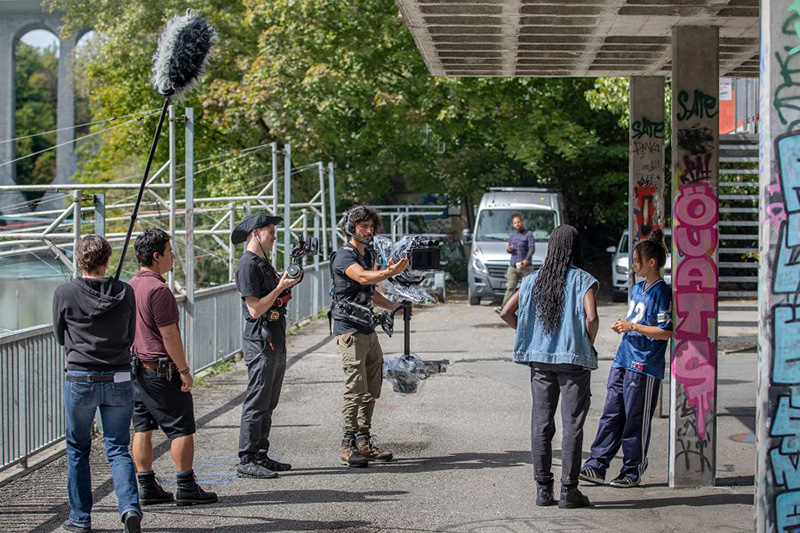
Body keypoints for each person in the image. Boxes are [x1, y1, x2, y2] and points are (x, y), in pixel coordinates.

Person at [500, 225, 599, 509]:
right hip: (574, 361)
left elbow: (507, 312)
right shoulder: (583, 280)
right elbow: (591, 318)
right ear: (575, 248)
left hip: (540, 361)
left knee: (541, 423)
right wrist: (586, 341)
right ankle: (570, 490)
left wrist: (527, 335)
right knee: (573, 425)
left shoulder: (532, 280)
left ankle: (543, 488)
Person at [52, 235, 142, 533]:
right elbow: (130, 334)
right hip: (118, 376)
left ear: (80, 259)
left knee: (78, 448)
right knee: (118, 448)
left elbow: (59, 334)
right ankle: (129, 507)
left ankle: (80, 518)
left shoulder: (64, 292)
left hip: (79, 377)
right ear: (107, 260)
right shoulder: (125, 291)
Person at [129, 228, 217, 506]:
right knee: (181, 428)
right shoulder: (159, 289)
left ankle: (146, 485)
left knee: (142, 427)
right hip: (160, 369)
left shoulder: (129, 286)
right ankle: (186, 485)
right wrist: (184, 369)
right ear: (157, 256)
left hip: (135, 370)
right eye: (170, 252)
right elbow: (169, 335)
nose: (173, 257)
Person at [580, 230, 672, 488]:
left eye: (636, 260)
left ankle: (632, 470)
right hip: (623, 359)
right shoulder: (637, 288)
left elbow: (665, 331)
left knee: (635, 419)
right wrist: (626, 326)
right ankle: (596, 465)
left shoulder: (661, 292)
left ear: (651, 262)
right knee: (611, 413)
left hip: (644, 365)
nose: (633, 265)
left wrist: (632, 327)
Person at [330, 205, 409, 467]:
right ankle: (347, 443)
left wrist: (395, 306)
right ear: (351, 228)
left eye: (371, 226)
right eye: (363, 226)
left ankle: (364, 441)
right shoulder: (344, 256)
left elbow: (372, 291)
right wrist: (391, 272)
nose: (369, 230)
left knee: (372, 387)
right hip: (349, 331)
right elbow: (363, 278)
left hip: (368, 327)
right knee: (355, 388)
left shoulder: (368, 254)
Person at [231, 213, 303, 479]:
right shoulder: (248, 265)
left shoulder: (262, 263)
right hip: (260, 341)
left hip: (274, 336)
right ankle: (246, 457)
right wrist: (280, 287)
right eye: (271, 231)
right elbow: (254, 309)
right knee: (257, 400)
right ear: (256, 233)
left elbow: (274, 301)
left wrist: (285, 287)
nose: (274, 236)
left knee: (269, 400)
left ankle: (261, 453)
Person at [500, 212, 536, 310]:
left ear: (522, 222)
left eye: (518, 222)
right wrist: (509, 249)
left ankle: (530, 308)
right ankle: (504, 308)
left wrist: (526, 260)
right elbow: (509, 250)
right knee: (511, 287)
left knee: (528, 288)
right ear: (513, 224)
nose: (517, 224)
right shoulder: (512, 236)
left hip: (525, 266)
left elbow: (532, 249)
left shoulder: (528, 234)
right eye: (515, 223)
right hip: (513, 265)